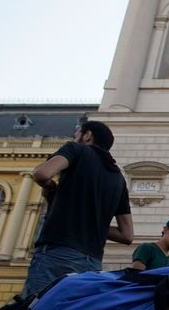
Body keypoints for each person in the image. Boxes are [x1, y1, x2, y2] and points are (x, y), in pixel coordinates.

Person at [23, 120, 133, 296]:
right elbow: (127, 235)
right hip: (92, 264)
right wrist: (92, 221)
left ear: (87, 135)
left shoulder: (76, 150)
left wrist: (50, 186)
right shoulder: (118, 178)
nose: (75, 138)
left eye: (77, 135)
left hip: (58, 253)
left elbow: (41, 173)